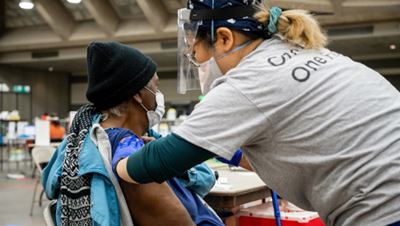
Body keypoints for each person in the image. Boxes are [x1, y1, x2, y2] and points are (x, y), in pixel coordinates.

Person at [113, 1, 400, 226]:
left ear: (223, 38)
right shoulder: (316, 55)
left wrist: (119, 156)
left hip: (382, 210)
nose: (198, 65)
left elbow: (150, 166)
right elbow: (300, 149)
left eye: (195, 55)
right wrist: (231, 153)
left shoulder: (247, 82)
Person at [42, 41, 222, 226]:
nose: (158, 94)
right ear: (138, 94)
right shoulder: (131, 160)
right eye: (156, 86)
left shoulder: (108, 140)